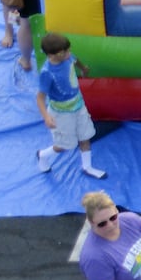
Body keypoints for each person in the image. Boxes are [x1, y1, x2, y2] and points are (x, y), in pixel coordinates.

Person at [35, 32, 107, 179]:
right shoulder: (47, 73)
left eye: (68, 50)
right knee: (64, 145)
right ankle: (43, 155)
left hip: (78, 106)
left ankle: (87, 166)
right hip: (61, 113)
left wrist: (83, 68)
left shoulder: (67, 57)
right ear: (52, 55)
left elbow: (75, 60)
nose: (68, 53)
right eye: (64, 52)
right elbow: (40, 97)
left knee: (85, 136)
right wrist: (46, 117)